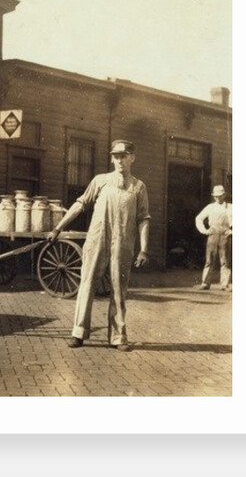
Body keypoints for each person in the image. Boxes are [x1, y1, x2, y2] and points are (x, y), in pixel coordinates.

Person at [47, 139, 151, 352]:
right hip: (97, 240)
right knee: (87, 283)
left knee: (119, 289)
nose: (119, 160)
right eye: (116, 156)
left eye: (123, 155)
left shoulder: (139, 187)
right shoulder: (100, 180)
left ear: (132, 157)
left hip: (123, 244)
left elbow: (143, 219)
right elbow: (80, 204)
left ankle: (119, 337)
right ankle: (78, 332)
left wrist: (144, 249)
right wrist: (58, 227)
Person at [194, 185, 232, 291]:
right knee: (209, 259)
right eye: (216, 196)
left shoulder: (230, 207)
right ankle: (205, 283)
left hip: (225, 235)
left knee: (225, 260)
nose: (218, 198)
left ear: (224, 195)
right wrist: (204, 231)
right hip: (212, 235)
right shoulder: (210, 207)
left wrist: (231, 231)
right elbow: (199, 218)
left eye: (220, 196)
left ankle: (224, 284)